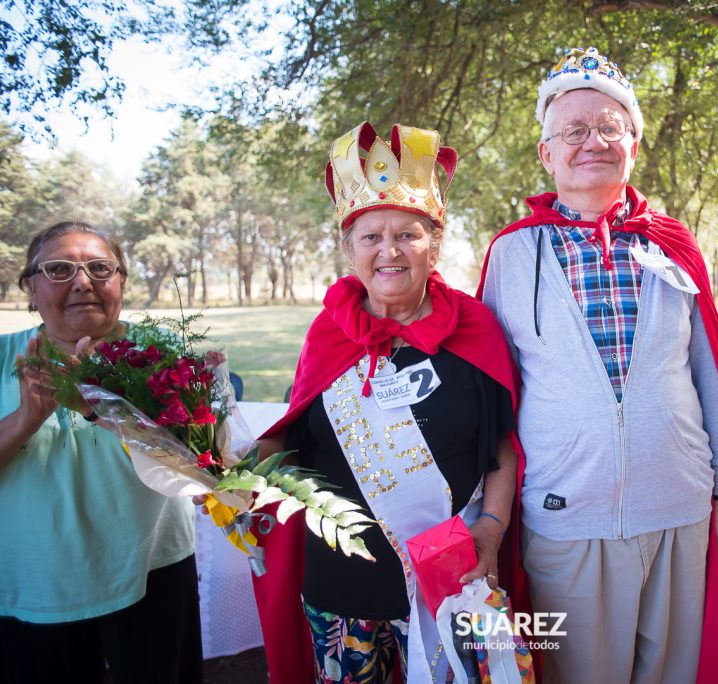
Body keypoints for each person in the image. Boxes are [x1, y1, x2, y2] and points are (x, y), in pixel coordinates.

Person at [477, 47, 718, 684]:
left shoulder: (673, 245)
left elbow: (713, 378)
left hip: (679, 511)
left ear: (633, 144)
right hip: (566, 515)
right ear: (547, 155)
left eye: (609, 127)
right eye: (573, 130)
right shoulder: (512, 254)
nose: (592, 141)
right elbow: (492, 393)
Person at [251, 122, 522, 684]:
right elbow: (288, 442)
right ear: (350, 249)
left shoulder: (476, 331)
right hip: (340, 583)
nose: (389, 251)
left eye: (408, 234)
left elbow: (502, 447)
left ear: (435, 244)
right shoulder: (326, 334)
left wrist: (491, 532)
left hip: (451, 575)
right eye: (371, 236)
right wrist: (231, 474)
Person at [0, 221, 202, 683]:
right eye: (59, 269)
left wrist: (103, 409)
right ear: (31, 286)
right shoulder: (3, 357)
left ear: (121, 283)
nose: (82, 282)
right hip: (33, 583)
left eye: (99, 268)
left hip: (152, 568)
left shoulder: (165, 356)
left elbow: (198, 466)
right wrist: (25, 419)